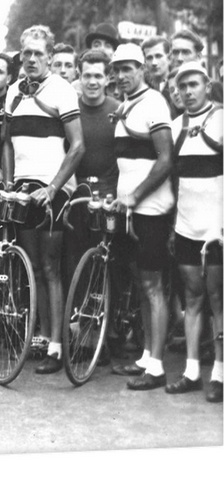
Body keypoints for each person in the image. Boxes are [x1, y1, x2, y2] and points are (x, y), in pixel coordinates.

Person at [1, 24, 84, 374]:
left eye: (39, 53)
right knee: (32, 267)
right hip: (22, 189)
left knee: (50, 267)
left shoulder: (62, 90)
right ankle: (43, 337)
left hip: (53, 190)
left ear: (50, 56)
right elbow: (5, 141)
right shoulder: (13, 92)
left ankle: (56, 346)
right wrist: (7, 182)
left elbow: (78, 146)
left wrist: (53, 187)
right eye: (27, 54)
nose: (31, 59)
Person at [107, 43, 175, 390]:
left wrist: (135, 196)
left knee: (152, 286)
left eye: (128, 68)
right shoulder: (126, 105)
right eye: (117, 69)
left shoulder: (154, 102)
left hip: (150, 210)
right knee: (141, 283)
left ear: (142, 69)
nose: (121, 75)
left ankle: (158, 366)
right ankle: (148, 357)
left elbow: (165, 159)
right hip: (128, 210)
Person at [168, 62, 223, 401]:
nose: (188, 92)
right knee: (192, 297)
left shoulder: (220, 119)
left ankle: (219, 371)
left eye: (194, 85)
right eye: (183, 86)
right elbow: (173, 177)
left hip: (216, 226)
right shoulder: (175, 126)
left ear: (206, 84)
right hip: (186, 224)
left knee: (218, 298)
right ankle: (191, 371)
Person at [68, 50, 121, 283]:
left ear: (107, 79)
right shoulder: (70, 111)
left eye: (98, 76)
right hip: (78, 197)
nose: (92, 82)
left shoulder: (119, 110)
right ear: (79, 76)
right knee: (76, 263)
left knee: (112, 264)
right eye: (87, 75)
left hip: (110, 196)